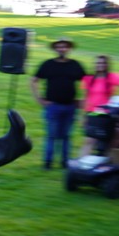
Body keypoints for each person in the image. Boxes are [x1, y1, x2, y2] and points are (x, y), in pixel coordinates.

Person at [30, 37, 86, 169]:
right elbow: (34, 80)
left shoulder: (75, 65)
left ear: (69, 49)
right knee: (51, 135)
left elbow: (87, 82)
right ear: (55, 49)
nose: (62, 49)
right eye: (59, 47)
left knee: (66, 136)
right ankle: (47, 162)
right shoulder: (48, 64)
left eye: (64, 46)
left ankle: (64, 162)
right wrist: (39, 98)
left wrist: (83, 99)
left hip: (70, 106)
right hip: (53, 106)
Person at [77, 55, 119, 157]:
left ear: (107, 65)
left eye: (103, 63)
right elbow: (86, 97)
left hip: (105, 113)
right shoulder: (89, 79)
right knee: (89, 140)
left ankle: (100, 159)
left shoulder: (112, 77)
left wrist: (118, 102)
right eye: (98, 63)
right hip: (91, 113)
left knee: (99, 141)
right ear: (95, 65)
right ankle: (83, 162)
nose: (101, 65)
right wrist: (83, 115)